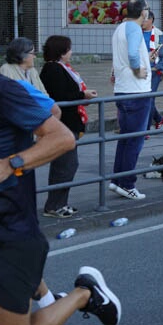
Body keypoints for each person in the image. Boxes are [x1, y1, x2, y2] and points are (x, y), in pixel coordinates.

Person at [0, 40, 121, 325]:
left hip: (9, 234)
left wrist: (10, 164)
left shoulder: (3, 90)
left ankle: (84, 295)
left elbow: (62, 137)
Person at [39, 35, 98, 218]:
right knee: (66, 164)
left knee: (66, 164)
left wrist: (82, 94)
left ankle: (59, 203)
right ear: (62, 51)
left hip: (67, 122)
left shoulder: (60, 68)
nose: (71, 52)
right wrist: (83, 95)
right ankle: (54, 205)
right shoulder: (53, 70)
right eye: (69, 49)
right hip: (63, 124)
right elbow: (63, 95)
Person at [109, 0, 151, 200]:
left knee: (125, 139)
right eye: (147, 10)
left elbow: (121, 56)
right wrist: (137, 69)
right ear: (143, 12)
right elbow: (133, 54)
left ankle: (118, 180)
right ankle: (127, 183)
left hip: (123, 89)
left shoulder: (120, 28)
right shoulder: (134, 28)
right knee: (135, 140)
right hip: (137, 90)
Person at [141, 9, 163, 131]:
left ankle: (146, 129)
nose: (142, 21)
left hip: (154, 71)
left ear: (151, 20)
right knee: (143, 98)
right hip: (140, 71)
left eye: (145, 19)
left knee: (148, 98)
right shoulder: (136, 34)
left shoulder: (161, 36)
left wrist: (159, 67)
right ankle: (159, 119)